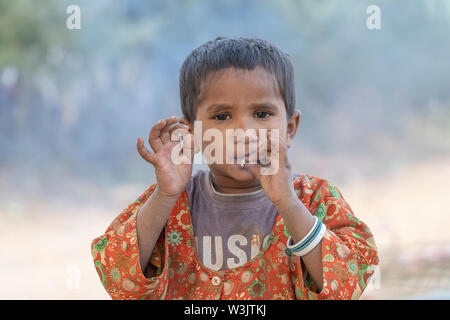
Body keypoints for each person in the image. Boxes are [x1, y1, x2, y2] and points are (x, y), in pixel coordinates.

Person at [91, 37, 379, 300]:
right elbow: (118, 279)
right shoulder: (172, 203)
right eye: (223, 116)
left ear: (289, 128)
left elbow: (347, 282)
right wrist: (165, 195)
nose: (244, 131)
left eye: (262, 114)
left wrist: (288, 204)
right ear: (191, 133)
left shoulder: (315, 199)